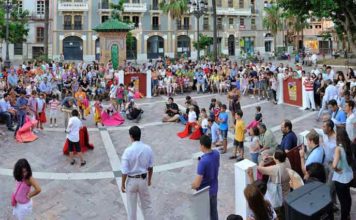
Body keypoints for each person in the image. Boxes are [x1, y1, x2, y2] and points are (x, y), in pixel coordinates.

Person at [121, 126, 154, 220]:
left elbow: (124, 171)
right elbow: (151, 167)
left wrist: (122, 183)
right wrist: (149, 180)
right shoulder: (148, 148)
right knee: (147, 206)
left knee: (131, 210)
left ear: (131, 136)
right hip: (143, 179)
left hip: (131, 181)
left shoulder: (127, 151)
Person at [191, 135, 220, 220]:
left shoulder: (203, 162)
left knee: (202, 214)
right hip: (214, 188)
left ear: (203, 146)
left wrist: (191, 185)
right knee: (214, 211)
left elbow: (196, 184)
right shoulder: (216, 153)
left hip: (204, 192)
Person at [333, 128, 354, 220]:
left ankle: (344, 217)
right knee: (348, 197)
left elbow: (334, 165)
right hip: (349, 177)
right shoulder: (349, 145)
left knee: (343, 201)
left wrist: (337, 170)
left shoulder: (338, 149)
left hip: (340, 179)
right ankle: (348, 214)